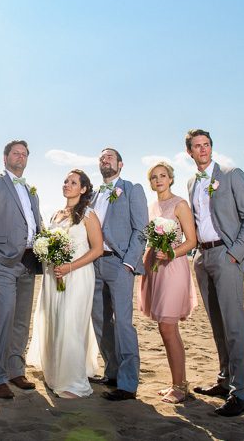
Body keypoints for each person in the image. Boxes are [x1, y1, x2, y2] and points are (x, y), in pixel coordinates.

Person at [185, 129, 244, 417]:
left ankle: (240, 393)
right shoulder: (192, 181)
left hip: (226, 256)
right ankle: (224, 380)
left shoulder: (231, 174)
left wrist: (234, 253)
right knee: (218, 325)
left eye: (206, 145)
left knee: (234, 326)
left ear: (211, 148)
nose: (203, 150)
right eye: (197, 146)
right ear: (189, 152)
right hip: (202, 257)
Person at [0, 140, 43, 400]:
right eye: (16, 153)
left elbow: (36, 223)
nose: (20, 157)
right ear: (5, 158)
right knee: (3, 317)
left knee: (21, 321)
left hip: (28, 261)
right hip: (1, 262)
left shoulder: (32, 191)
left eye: (24, 154)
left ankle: (16, 370)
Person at [26, 170, 103, 398]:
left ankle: (72, 381)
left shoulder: (88, 214)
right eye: (65, 181)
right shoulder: (55, 215)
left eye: (73, 182)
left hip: (77, 275)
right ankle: (55, 372)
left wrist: (70, 267)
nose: (67, 185)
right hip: (53, 276)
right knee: (54, 320)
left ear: (83, 189)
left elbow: (97, 249)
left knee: (71, 323)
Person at [89, 148, 148, 401]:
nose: (105, 160)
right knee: (100, 320)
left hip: (119, 263)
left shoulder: (132, 189)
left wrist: (129, 263)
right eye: (102, 157)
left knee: (123, 323)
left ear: (121, 164)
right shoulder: (92, 195)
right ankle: (111, 372)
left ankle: (127, 383)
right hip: (93, 265)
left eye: (110, 156)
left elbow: (141, 229)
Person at [138, 161, 198, 404]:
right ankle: (177, 382)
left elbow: (191, 241)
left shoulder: (180, 204)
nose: (158, 180)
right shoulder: (153, 207)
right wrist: (143, 265)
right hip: (155, 269)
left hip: (173, 268)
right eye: (154, 177)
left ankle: (181, 386)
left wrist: (172, 253)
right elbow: (151, 241)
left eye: (163, 176)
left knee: (168, 326)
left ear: (171, 179)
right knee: (164, 327)